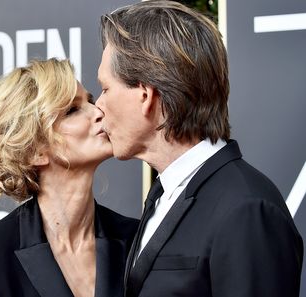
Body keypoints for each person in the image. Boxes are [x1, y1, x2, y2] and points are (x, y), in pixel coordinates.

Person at [96, 1, 303, 296]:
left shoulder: (247, 209)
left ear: (145, 95)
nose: (99, 107)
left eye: (105, 89)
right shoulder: (163, 194)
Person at [0, 58, 138, 297]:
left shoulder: (136, 238)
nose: (98, 111)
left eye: (90, 100)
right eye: (72, 110)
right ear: (34, 150)